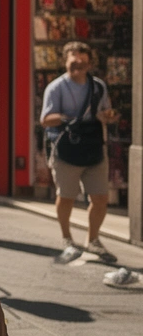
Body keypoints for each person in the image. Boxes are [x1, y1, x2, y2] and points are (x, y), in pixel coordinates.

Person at [42, 42, 119, 264]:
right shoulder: (56, 88)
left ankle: (93, 239)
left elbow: (104, 112)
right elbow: (45, 119)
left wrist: (108, 116)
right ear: (65, 61)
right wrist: (68, 118)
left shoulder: (98, 86)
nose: (78, 65)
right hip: (67, 149)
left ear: (89, 63)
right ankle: (67, 238)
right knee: (66, 196)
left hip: (94, 147)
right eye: (74, 60)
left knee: (100, 197)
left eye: (83, 61)